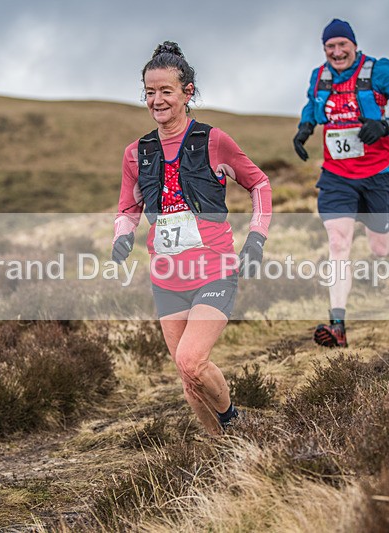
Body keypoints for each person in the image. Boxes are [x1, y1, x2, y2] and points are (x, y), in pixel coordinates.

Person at [112, 41, 272, 435]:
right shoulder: (137, 152)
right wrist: (123, 235)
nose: (156, 100)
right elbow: (127, 208)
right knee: (188, 380)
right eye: (150, 92)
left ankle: (235, 421)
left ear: (188, 92)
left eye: (166, 91)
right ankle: (223, 450)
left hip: (213, 269)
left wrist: (256, 237)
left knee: (191, 361)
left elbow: (259, 184)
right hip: (166, 278)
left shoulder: (214, 141)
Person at [292, 19, 389, 348]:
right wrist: (305, 126)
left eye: (342, 45)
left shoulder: (379, 71)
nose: (337, 52)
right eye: (330, 47)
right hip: (337, 176)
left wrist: (386, 125)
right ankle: (338, 324)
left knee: (379, 247)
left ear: (353, 44)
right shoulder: (320, 76)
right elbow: (313, 103)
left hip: (376, 174)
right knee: (338, 244)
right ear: (324, 49)